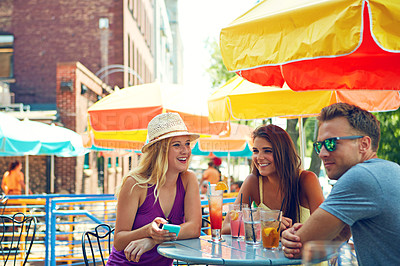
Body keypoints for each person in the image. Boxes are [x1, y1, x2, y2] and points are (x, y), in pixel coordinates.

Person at [281, 103, 400, 266]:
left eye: (331, 143)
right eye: (319, 145)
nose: (322, 153)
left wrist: (292, 237)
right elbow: (333, 241)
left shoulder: (360, 177)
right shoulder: (390, 169)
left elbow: (302, 248)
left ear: (364, 144)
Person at [107, 113, 202, 265]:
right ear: (160, 150)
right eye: (177, 145)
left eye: (187, 143)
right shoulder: (135, 184)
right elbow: (119, 241)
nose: (185, 150)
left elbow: (194, 228)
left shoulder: (188, 180)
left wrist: (152, 240)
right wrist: (147, 231)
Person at [222, 124, 324, 235]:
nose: (259, 157)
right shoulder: (253, 182)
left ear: (284, 152)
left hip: (300, 250)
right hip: (265, 252)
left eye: (267, 151)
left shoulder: (307, 180)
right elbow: (226, 227)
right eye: (256, 151)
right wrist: (264, 223)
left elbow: (324, 229)